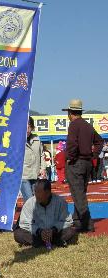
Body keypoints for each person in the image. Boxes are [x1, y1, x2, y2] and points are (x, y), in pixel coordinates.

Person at [63, 99, 103, 232]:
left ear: (70, 113)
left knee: (78, 194)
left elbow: (72, 144)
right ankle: (77, 219)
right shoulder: (88, 125)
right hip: (87, 163)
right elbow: (99, 141)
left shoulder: (74, 125)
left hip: (76, 163)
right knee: (80, 192)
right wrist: (94, 155)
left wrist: (70, 158)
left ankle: (87, 222)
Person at [14, 179, 76, 248]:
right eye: (35, 191)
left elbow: (67, 221)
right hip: (36, 234)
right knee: (18, 234)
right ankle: (53, 241)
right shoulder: (29, 203)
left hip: (55, 233)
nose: (36, 194)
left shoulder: (60, 202)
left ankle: (40, 242)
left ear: (48, 193)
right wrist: (39, 231)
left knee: (71, 231)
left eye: (39, 192)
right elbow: (24, 223)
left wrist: (53, 230)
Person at [20, 116, 45, 202]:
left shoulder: (37, 139)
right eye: (24, 127)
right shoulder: (17, 140)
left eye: (29, 127)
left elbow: (42, 154)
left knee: (36, 199)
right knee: (30, 200)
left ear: (32, 128)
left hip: (35, 174)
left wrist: (43, 168)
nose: (27, 130)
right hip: (23, 175)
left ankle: (24, 215)